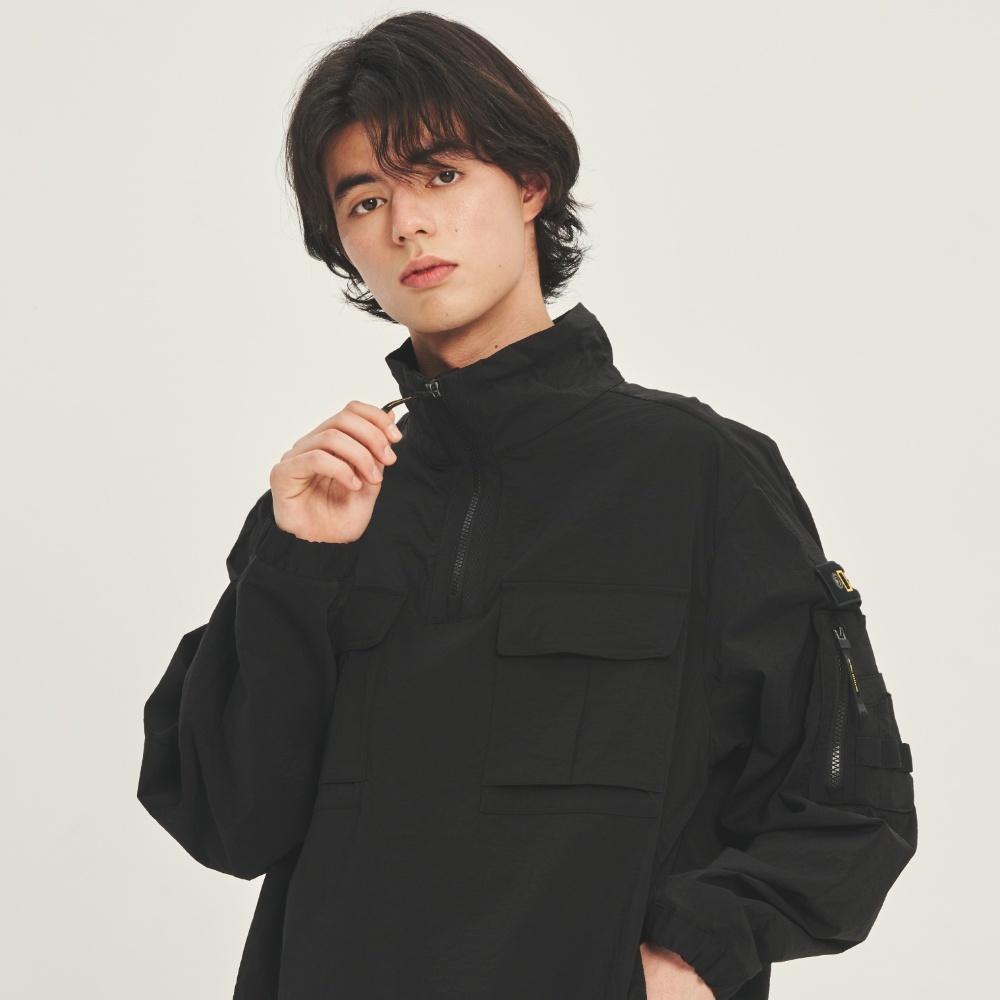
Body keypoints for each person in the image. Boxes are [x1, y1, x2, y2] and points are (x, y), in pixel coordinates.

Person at [136, 11, 917, 1000]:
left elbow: (849, 801)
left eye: (441, 175)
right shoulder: (322, 503)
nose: (407, 224)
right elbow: (227, 822)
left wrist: (693, 957)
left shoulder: (700, 472)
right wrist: (300, 566)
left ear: (530, 184)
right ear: (343, 244)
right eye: (366, 199)